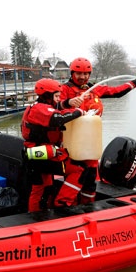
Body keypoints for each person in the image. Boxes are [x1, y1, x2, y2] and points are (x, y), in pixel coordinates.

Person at [54, 57, 136, 207]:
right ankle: (64, 205)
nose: (82, 77)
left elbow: (115, 92)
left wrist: (135, 83)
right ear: (72, 73)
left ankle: (87, 204)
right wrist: (67, 103)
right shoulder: (64, 89)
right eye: (78, 73)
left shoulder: (93, 88)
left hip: (90, 138)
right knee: (77, 173)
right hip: (71, 139)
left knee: (90, 174)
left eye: (86, 73)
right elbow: (53, 107)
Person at [21, 78, 84, 212]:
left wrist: (68, 103)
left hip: (37, 154)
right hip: (40, 155)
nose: (58, 99)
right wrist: (79, 112)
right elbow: (58, 118)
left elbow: (56, 108)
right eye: (56, 96)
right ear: (47, 96)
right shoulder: (39, 109)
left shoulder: (39, 106)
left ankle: (40, 214)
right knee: (78, 170)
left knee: (44, 187)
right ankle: (62, 203)